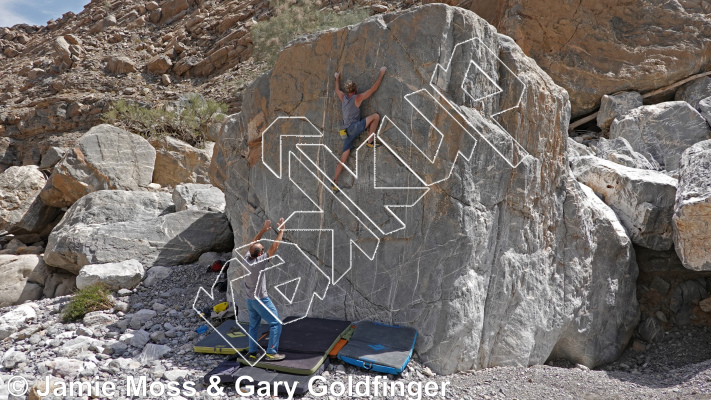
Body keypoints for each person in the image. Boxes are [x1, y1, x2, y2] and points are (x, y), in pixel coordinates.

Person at [332, 66, 387, 193]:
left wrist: (336, 78)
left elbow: (337, 90)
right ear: (355, 89)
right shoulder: (357, 98)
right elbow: (373, 89)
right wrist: (381, 73)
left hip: (345, 132)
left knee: (343, 158)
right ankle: (370, 141)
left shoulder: (343, 98)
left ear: (347, 91)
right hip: (354, 128)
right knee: (376, 117)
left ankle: (334, 181)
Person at [243, 218, 286, 361]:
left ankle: (253, 352)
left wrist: (263, 230)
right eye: (262, 249)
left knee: (253, 326)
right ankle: (272, 353)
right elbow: (274, 247)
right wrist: (281, 231)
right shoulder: (259, 263)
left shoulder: (247, 258)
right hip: (260, 300)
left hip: (250, 300)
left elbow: (253, 244)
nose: (264, 249)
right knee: (276, 323)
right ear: (260, 254)